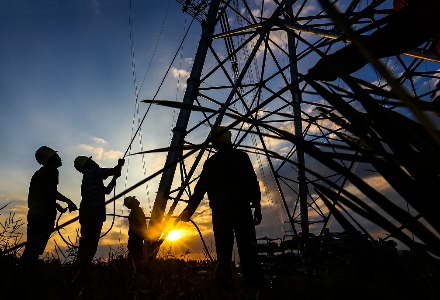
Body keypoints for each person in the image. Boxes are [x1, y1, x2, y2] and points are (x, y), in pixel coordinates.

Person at [180, 126, 264, 294]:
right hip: (241, 210)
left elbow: (199, 190)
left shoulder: (212, 163)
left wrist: (188, 212)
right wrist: (257, 206)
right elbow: (252, 183)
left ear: (215, 142)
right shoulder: (241, 157)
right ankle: (253, 287)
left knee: (223, 252)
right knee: (248, 249)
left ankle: (225, 289)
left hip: (222, 213)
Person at [308, 0, 440, 81]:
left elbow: (373, 47)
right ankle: (328, 69)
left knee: (375, 46)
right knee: (376, 46)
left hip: (417, 25)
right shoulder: (412, 28)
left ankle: (328, 69)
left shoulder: (411, 28)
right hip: (417, 25)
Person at [21, 146, 78, 266]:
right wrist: (68, 201)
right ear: (51, 158)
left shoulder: (40, 173)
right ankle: (25, 274)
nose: (60, 158)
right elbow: (50, 191)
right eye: (56, 156)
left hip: (35, 214)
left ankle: (21, 272)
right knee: (36, 248)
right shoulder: (51, 171)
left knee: (31, 246)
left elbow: (43, 194)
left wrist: (55, 204)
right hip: (43, 217)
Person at [73, 155, 125, 273]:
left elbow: (106, 191)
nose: (94, 161)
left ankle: (79, 269)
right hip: (93, 214)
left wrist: (115, 178)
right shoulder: (92, 172)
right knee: (90, 245)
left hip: (88, 214)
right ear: (88, 164)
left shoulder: (90, 177)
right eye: (91, 160)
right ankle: (81, 270)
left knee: (87, 243)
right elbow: (113, 171)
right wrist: (119, 166)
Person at [124, 196, 148, 272]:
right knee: (136, 259)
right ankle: (137, 274)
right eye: (134, 200)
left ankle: (135, 274)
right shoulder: (136, 212)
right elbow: (137, 227)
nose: (136, 200)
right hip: (135, 239)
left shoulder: (136, 211)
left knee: (135, 258)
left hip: (135, 239)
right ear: (132, 203)